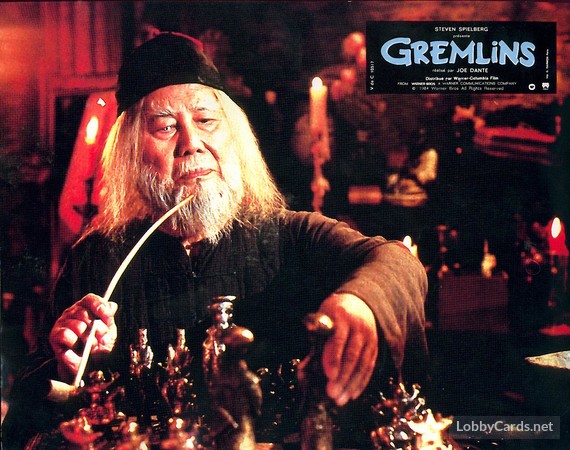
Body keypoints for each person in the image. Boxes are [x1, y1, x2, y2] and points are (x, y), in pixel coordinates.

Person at [3, 32, 428, 448]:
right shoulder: (97, 259)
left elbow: (398, 262)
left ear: (235, 137)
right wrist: (70, 366)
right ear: (132, 153)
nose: (192, 144)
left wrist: (360, 301)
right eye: (165, 127)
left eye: (206, 121)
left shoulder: (293, 235)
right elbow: (28, 416)